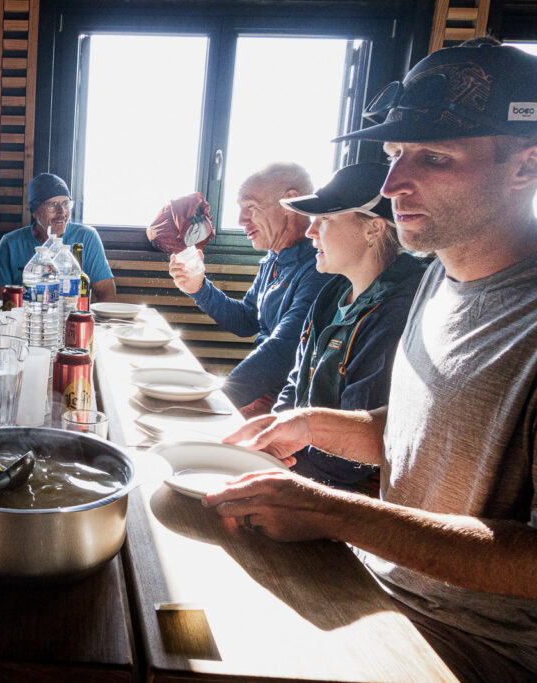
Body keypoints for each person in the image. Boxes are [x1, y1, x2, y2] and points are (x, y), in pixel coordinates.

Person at [204, 43, 537, 682]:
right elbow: (425, 438)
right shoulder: (439, 276)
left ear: (526, 166)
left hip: (477, 646)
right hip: (381, 587)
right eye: (393, 156)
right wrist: (313, 424)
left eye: (434, 158)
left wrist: (333, 512)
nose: (391, 187)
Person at [273, 162, 425, 492]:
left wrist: (274, 468)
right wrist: (269, 438)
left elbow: (349, 465)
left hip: (338, 493)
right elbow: (295, 383)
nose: (311, 231)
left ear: (374, 229)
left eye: (325, 219)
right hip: (298, 463)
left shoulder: (395, 314)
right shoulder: (331, 295)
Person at [169, 162, 331, 418]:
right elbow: (246, 320)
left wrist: (217, 401)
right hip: (262, 391)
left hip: (287, 405)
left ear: (292, 201)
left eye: (251, 207)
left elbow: (283, 351)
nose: (241, 220)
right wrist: (199, 287)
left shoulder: (320, 268)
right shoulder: (274, 259)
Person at [0, 172, 116, 302]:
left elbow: (107, 295)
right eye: (52, 205)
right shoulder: (11, 243)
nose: (62, 212)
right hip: (28, 319)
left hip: (71, 317)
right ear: (35, 211)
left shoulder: (86, 237)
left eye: (66, 203)